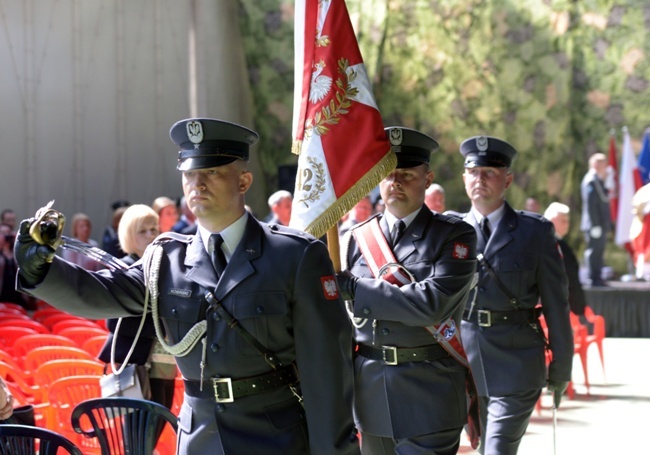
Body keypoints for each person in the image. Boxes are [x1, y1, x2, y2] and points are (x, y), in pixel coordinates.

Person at [15, 117, 359, 455]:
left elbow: (327, 369)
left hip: (275, 434)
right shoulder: (167, 259)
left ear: (243, 182)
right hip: (200, 437)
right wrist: (42, 270)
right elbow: (103, 292)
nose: (198, 184)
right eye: (190, 174)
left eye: (212, 172)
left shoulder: (294, 256)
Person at [337, 127, 478, 455]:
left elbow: (431, 304)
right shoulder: (355, 239)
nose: (395, 182)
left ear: (427, 179)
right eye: (388, 174)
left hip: (429, 393)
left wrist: (355, 289)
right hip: (370, 395)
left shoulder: (454, 235)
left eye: (406, 174)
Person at [454, 135, 573, 454]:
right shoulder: (449, 231)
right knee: (482, 448)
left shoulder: (535, 232)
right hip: (464, 364)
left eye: (489, 172)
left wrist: (561, 369)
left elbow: (556, 305)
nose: (480, 179)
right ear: (464, 177)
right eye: (474, 172)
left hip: (517, 361)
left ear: (507, 180)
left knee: (497, 450)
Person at [98, 204, 176, 409]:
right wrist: (162, 328)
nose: (150, 235)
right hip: (138, 362)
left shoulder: (163, 264)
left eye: (154, 230)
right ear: (130, 235)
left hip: (164, 360)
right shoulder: (123, 267)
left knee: (160, 420)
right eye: (143, 231)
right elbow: (114, 322)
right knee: (139, 434)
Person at [544, 202, 587, 315]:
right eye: (563, 221)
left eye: (567, 221)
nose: (567, 224)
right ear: (552, 220)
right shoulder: (549, 244)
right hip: (558, 308)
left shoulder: (559, 243)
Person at [580, 153, 612, 287]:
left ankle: (597, 276)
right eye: (603, 164)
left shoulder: (598, 180)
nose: (606, 167)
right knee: (593, 251)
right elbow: (591, 203)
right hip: (594, 224)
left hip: (599, 223)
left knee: (599, 251)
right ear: (595, 164)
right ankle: (593, 277)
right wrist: (595, 224)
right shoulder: (591, 180)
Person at [0, 224, 33, 310]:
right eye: (3, 233)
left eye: (8, 233)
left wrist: (18, 243)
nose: (6, 236)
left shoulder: (18, 255)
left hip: (19, 298)